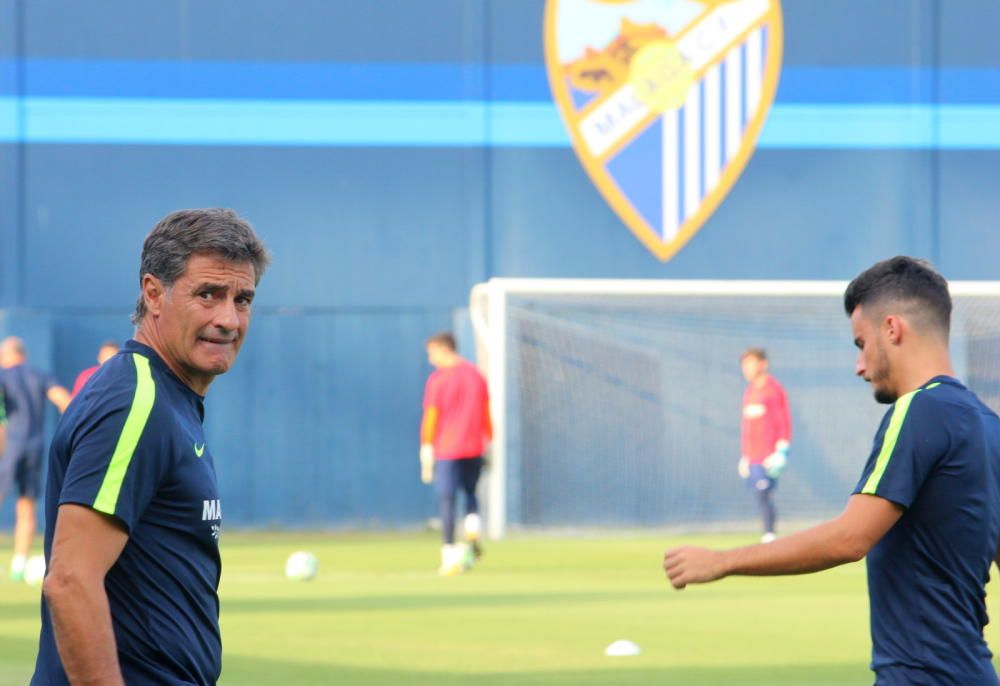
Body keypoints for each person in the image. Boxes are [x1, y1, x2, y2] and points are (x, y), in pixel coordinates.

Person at [663, 256, 1000, 685]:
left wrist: (722, 561)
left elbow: (849, 538)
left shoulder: (919, 410)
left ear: (892, 329)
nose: (859, 366)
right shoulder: (987, 425)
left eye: (861, 344)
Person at [32, 208, 270, 686]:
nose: (228, 319)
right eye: (208, 294)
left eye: (242, 299)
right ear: (154, 294)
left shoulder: (168, 400)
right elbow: (70, 580)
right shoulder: (136, 402)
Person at [420, 332, 492, 576]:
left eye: (432, 353)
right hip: (475, 446)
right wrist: (489, 442)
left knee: (447, 498)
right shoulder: (477, 376)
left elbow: (432, 416)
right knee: (471, 493)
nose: (431, 359)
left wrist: (426, 446)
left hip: (448, 448)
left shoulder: (438, 380)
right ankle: (472, 527)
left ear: (444, 348)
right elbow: (485, 414)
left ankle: (448, 553)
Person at [0, 337, 71, 582]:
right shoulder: (40, 375)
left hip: (10, 445)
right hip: (35, 447)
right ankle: (19, 564)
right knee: (26, 505)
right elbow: (64, 400)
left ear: (6, 355)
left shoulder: (4, 377)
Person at [738, 348, 791, 543]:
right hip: (752, 456)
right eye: (744, 365)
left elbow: (783, 421)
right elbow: (747, 428)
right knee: (758, 494)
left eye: (750, 363)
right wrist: (744, 455)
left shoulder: (773, 389)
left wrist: (782, 450)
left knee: (764, 494)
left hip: (769, 456)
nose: (747, 369)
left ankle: (770, 534)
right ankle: (768, 533)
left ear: (763, 364)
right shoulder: (749, 391)